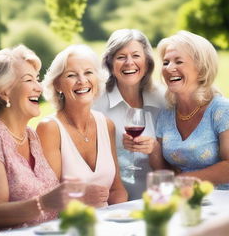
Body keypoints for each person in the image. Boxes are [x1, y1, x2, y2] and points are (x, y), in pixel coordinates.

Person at [0, 45, 74, 236]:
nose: (39, 87)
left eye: (37, 79)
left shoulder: (31, 136)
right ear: (4, 92)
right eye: (29, 80)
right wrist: (44, 203)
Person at [36, 44, 128, 207]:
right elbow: (47, 198)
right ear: (57, 85)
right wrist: (79, 198)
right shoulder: (49, 128)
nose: (82, 80)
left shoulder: (106, 125)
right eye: (72, 75)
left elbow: (116, 189)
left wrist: (117, 219)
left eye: (88, 73)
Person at [149, 30, 229, 189]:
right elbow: (163, 171)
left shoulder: (221, 109)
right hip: (183, 201)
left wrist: (182, 180)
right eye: (166, 62)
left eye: (178, 61)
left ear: (201, 68)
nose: (169, 68)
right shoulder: (166, 114)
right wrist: (152, 148)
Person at [93, 29, 166, 200]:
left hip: (158, 201)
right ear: (110, 64)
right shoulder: (96, 103)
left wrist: (154, 149)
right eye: (121, 57)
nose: (129, 63)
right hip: (115, 205)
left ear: (147, 62)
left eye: (136, 55)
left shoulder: (164, 99)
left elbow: (174, 164)